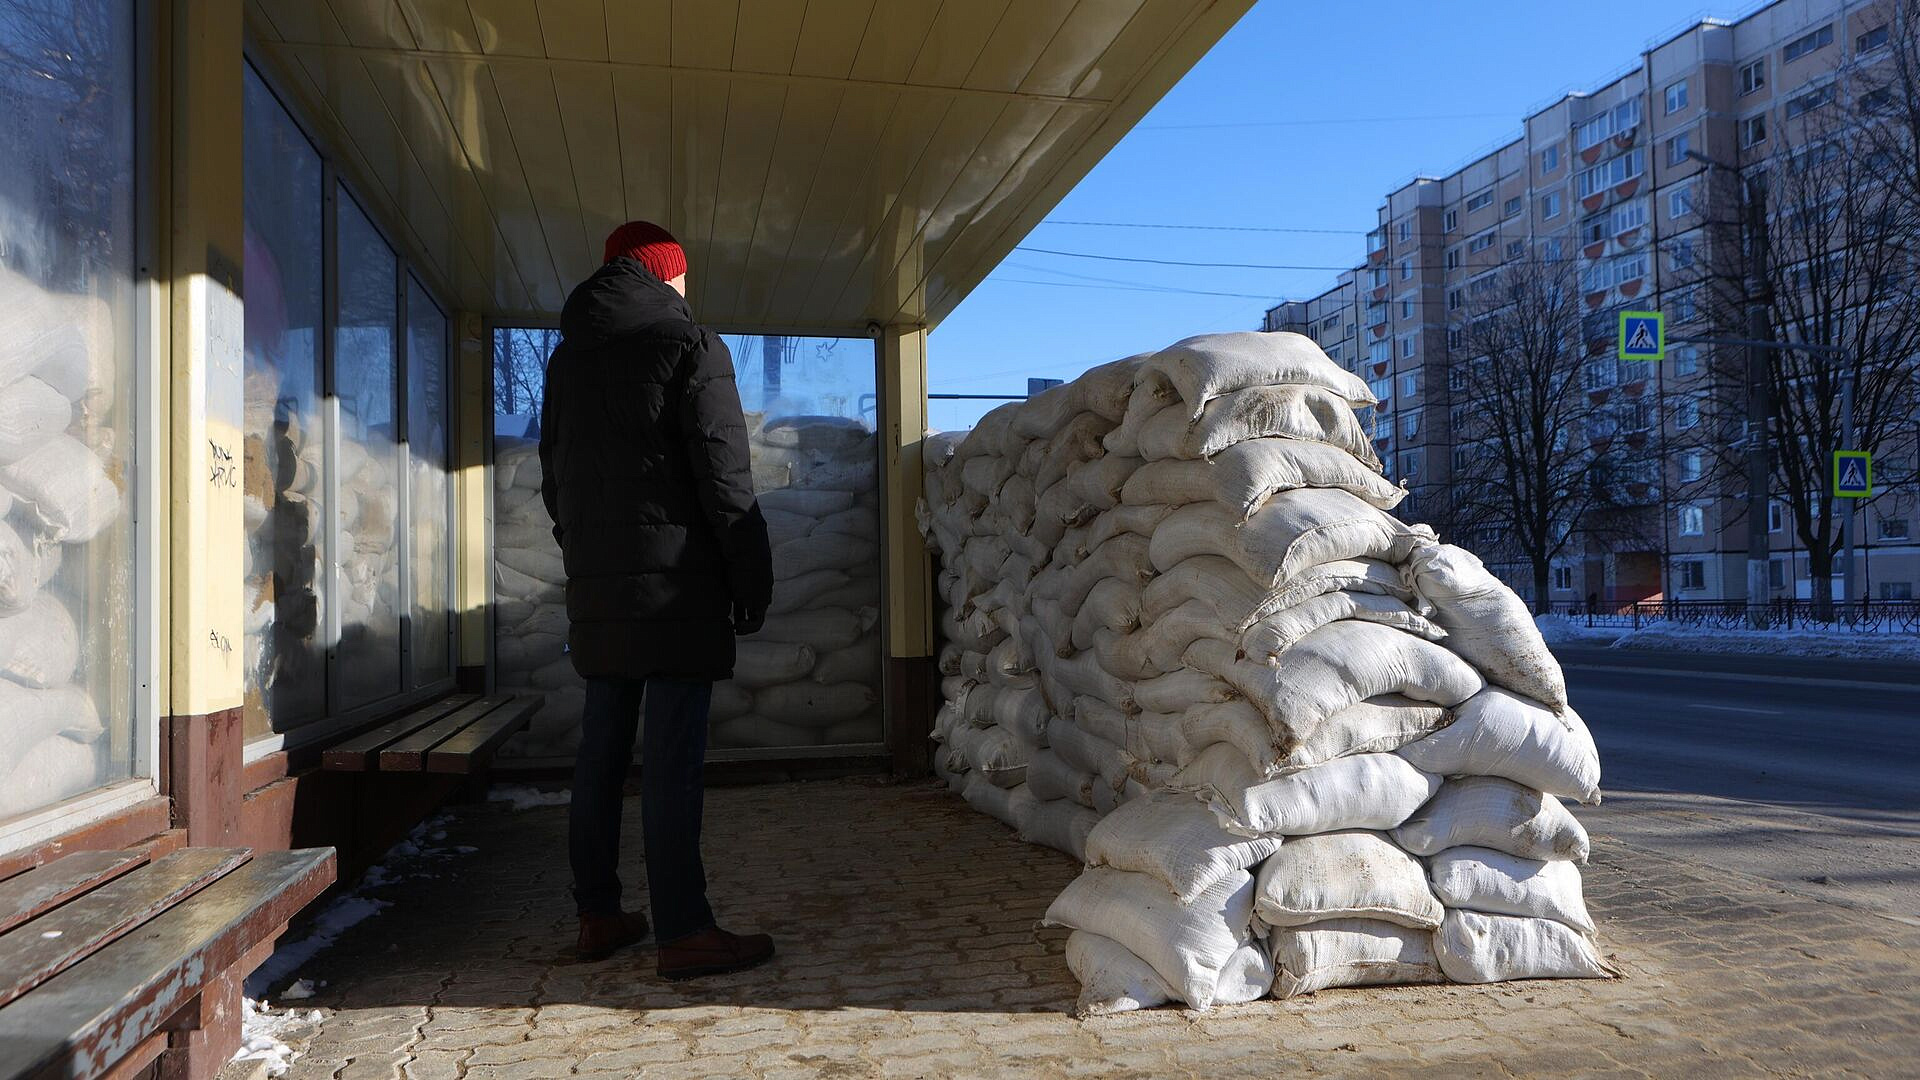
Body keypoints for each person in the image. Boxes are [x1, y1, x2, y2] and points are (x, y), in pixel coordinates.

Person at [539, 221, 776, 979]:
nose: (685, 290)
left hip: (601, 590)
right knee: (671, 763)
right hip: (677, 591)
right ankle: (684, 930)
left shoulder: (567, 361)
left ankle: (598, 914)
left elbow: (556, 482)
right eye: (682, 278)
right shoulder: (689, 346)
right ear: (665, 274)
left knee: (602, 754)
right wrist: (750, 577)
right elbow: (724, 478)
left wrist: (589, 561)